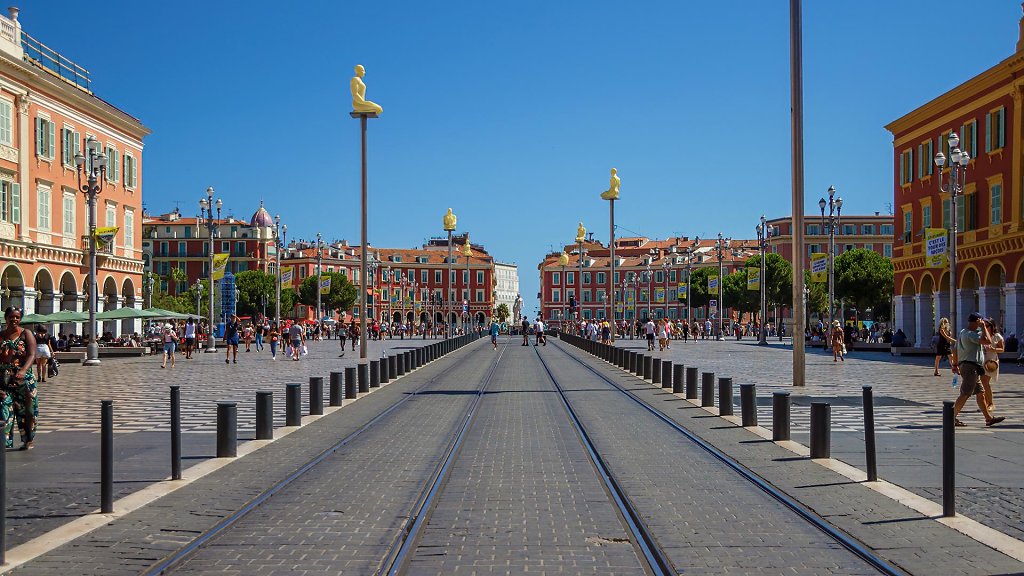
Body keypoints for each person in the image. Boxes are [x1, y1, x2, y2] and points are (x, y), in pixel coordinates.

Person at [951, 312, 1004, 428]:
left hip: (971, 367)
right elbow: (988, 341)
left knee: (980, 393)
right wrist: (984, 327)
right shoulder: (970, 335)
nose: (983, 323)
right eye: (981, 321)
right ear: (976, 321)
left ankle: (988, 418)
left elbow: (955, 350)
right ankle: (951, 417)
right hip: (970, 367)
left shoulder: (963, 332)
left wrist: (955, 365)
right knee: (965, 393)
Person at [1, 307, 38, 450]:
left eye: (17, 317)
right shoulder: (1, 335)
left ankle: (28, 438)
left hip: (24, 379)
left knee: (27, 410)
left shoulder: (26, 334)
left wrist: (23, 370)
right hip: (4, 378)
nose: (14, 319)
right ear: (6, 318)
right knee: (5, 406)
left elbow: (31, 355)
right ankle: (5, 440)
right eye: (11, 316)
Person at [982, 318, 1004, 412]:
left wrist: (993, 349)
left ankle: (990, 403)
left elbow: (1002, 349)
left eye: (987, 326)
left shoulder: (997, 336)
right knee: (983, 384)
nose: (985, 328)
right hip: (982, 361)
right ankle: (986, 403)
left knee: (985, 382)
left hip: (991, 362)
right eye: (984, 326)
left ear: (992, 326)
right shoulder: (981, 335)